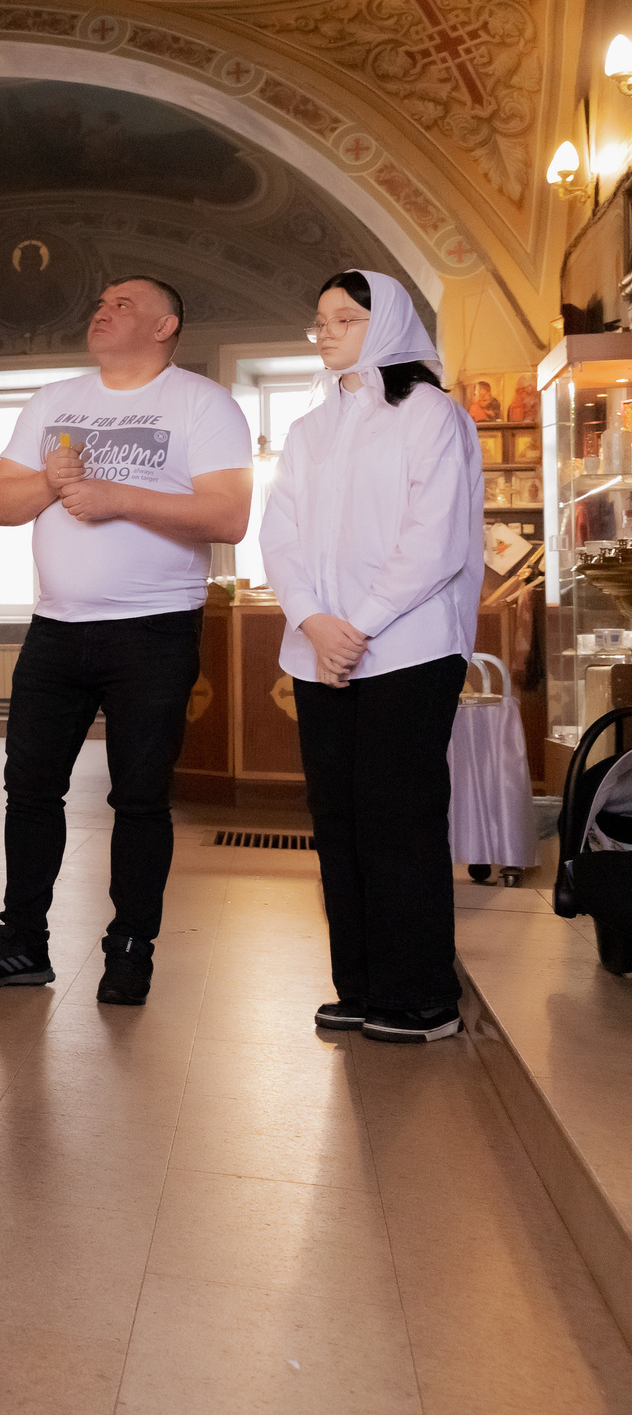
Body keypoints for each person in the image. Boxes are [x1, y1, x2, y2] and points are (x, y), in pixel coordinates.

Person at [0, 277, 252, 1004]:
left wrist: (118, 495)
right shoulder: (53, 400)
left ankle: (130, 950)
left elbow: (229, 515)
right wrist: (52, 486)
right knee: (28, 789)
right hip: (57, 629)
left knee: (140, 797)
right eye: (100, 300)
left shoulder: (201, 402)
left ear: (164, 325)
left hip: (154, 628)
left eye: (123, 303)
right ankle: (22, 939)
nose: (103, 309)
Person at [263, 271, 482, 1042]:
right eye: (318, 318)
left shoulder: (431, 415)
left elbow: (437, 540)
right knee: (339, 817)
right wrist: (316, 622)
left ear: (385, 324)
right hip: (321, 650)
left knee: (401, 816)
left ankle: (421, 996)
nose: (324, 331)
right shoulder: (308, 430)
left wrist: (357, 623)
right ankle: (358, 984)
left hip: (411, 646)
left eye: (344, 318)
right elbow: (279, 537)